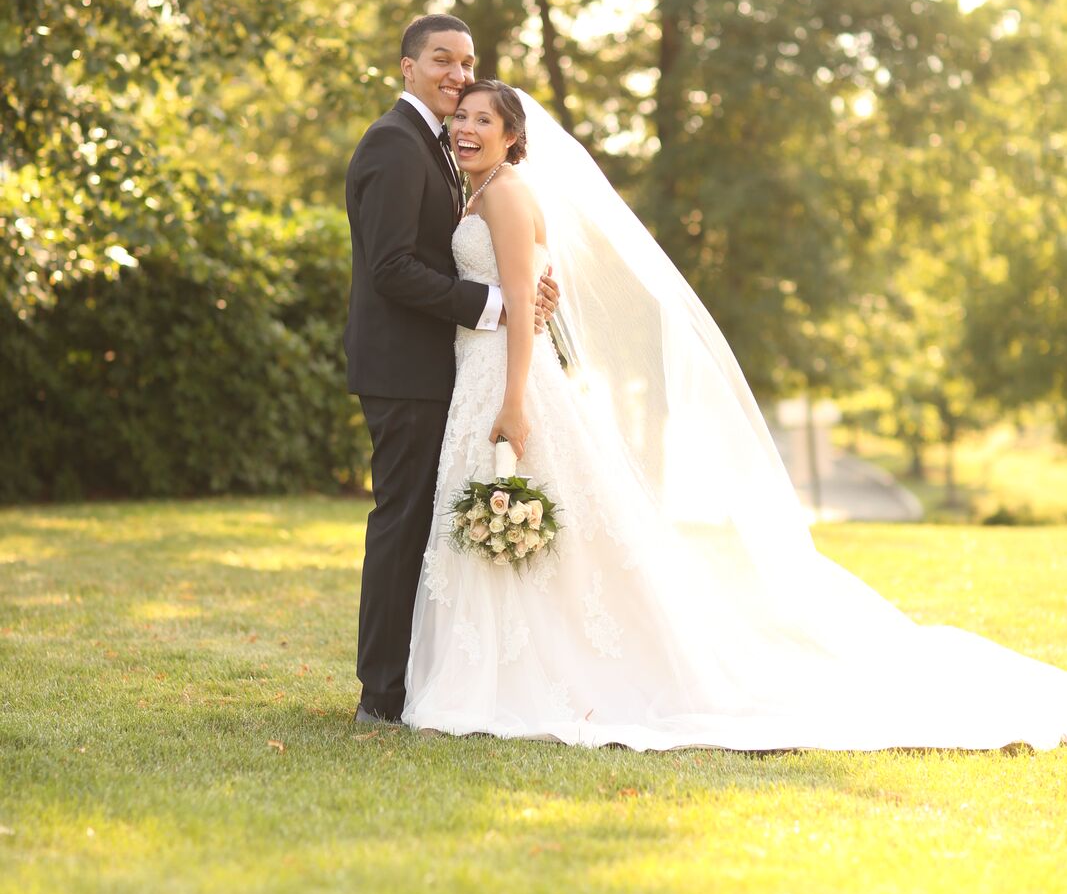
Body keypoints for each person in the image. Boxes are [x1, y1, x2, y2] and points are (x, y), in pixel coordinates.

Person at [403, 80, 1067, 751]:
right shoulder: (481, 192)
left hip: (508, 381)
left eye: (483, 119)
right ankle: (492, 674)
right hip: (478, 373)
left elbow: (521, 300)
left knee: (525, 516)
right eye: (460, 116)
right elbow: (528, 289)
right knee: (518, 524)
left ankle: (520, 680)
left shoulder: (510, 192)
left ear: (512, 135)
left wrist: (515, 400)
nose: (466, 127)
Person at [344, 17, 558, 724]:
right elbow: (392, 268)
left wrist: (527, 289)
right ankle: (381, 694)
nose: (456, 73)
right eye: (442, 59)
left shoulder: (443, 149)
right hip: (404, 370)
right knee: (401, 524)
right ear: (407, 66)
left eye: (466, 62)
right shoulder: (394, 143)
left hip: (450, 368)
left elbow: (469, 254)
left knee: (422, 526)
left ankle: (413, 681)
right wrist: (497, 302)